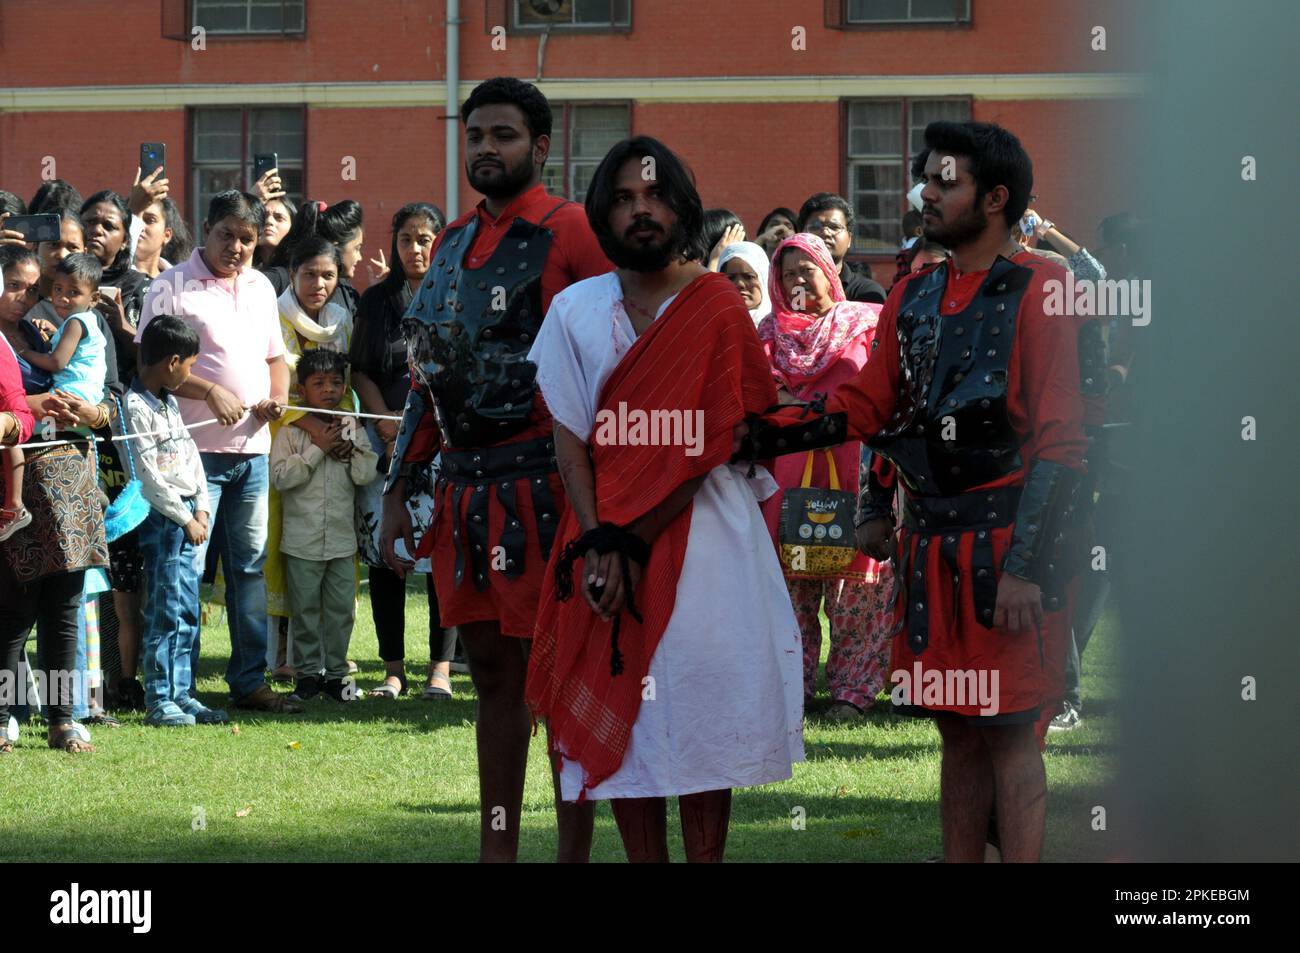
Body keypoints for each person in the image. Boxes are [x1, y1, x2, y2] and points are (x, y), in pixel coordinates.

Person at [739, 121, 1088, 862]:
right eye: (924, 179)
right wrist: (757, 432)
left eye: (945, 181)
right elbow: (871, 408)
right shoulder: (914, 293)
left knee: (1010, 729)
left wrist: (1028, 564)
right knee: (956, 730)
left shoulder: (1045, 285)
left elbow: (1062, 441)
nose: (925, 193)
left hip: (1005, 547)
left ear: (994, 197)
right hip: (929, 545)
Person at [525, 136, 804, 862]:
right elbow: (569, 440)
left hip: (710, 546)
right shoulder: (574, 309)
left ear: (681, 206)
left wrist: (632, 537)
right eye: (623, 198)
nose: (640, 210)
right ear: (601, 213)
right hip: (601, 543)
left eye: (653, 196)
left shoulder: (714, 303)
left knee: (704, 713)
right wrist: (600, 541)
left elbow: (719, 436)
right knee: (635, 722)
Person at [380, 76, 612, 862]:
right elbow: (426, 374)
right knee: (492, 677)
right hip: (464, 486)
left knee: (560, 675)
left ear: (539, 146)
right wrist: (397, 489)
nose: (486, 148)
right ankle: (498, 851)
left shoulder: (574, 230)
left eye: (504, 135)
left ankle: (572, 855)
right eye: (476, 134)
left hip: (548, 486)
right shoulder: (446, 242)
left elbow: (613, 363)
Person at [138, 189, 301, 714]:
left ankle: (249, 681)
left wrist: (277, 398)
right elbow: (149, 370)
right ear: (205, 229)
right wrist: (208, 390)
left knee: (249, 570)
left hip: (252, 451)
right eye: (226, 234)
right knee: (182, 571)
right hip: (188, 458)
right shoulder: (169, 287)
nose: (236, 247)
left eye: (247, 239)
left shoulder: (259, 288)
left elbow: (277, 359)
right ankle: (171, 692)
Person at [757, 233, 891, 720]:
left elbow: (881, 388)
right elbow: (759, 398)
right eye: (787, 272)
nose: (797, 280)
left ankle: (851, 695)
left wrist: (804, 406)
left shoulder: (866, 322)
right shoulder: (767, 335)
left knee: (857, 593)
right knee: (792, 591)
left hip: (853, 471)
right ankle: (791, 689)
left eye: (806, 268)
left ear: (829, 271)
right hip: (787, 479)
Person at [350, 202, 456, 701]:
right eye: (408, 238)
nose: (417, 248)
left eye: (427, 238)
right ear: (394, 243)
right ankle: (393, 668)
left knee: (442, 551)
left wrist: (428, 426)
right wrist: (390, 429)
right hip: (387, 440)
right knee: (383, 555)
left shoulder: (456, 295)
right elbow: (363, 370)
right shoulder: (377, 301)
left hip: (443, 440)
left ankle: (441, 667)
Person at [0, 320, 110, 754]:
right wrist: (36, 403)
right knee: (13, 611)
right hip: (13, 482)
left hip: (70, 478)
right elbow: (16, 409)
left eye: (27, 289)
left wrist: (91, 413)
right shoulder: (12, 342)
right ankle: (2, 717)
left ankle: (61, 720)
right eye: (18, 287)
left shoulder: (77, 322)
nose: (23, 297)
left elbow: (114, 394)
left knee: (63, 608)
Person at [125, 315, 228, 727]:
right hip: (166, 521)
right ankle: (160, 698)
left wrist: (202, 506)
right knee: (165, 609)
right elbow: (147, 476)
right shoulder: (134, 407)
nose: (191, 373)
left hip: (189, 516)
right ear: (172, 362)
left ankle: (184, 694)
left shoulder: (169, 402)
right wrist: (186, 517)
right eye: (190, 364)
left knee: (187, 607)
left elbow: (190, 458)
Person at [271, 348, 377, 703]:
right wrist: (318, 449)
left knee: (340, 611)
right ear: (302, 390)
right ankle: (306, 676)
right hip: (301, 540)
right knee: (304, 612)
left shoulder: (350, 424)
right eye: (319, 383)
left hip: (342, 541)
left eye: (335, 382)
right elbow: (282, 478)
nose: (329, 390)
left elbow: (365, 476)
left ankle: (336, 677)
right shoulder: (289, 431)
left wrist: (351, 451)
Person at [80, 190, 149, 382]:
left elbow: (158, 362)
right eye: (90, 222)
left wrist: (122, 327)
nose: (97, 230)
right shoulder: (55, 279)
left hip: (119, 398)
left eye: (108, 226)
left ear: (126, 240)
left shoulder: (142, 288)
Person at [797, 192, 886, 304]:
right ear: (800, 235)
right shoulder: (793, 286)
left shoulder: (866, 291)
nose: (825, 232)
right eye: (815, 227)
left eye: (834, 227)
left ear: (849, 239)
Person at [717, 240, 771, 325]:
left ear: (764, 279)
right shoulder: (712, 327)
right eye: (731, 278)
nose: (740, 284)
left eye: (749, 277)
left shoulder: (780, 328)